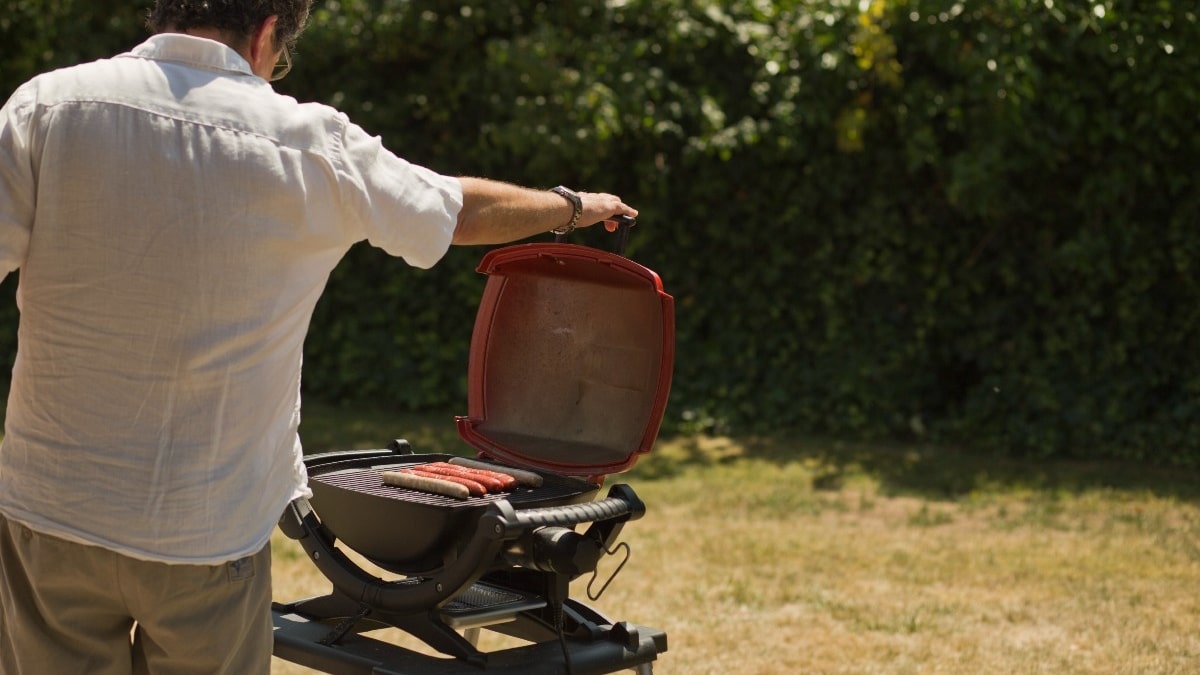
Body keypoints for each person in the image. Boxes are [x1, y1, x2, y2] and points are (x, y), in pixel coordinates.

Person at [0, 1, 637, 673]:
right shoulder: (309, 141)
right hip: (207, 527)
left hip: (49, 508)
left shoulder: (48, 107)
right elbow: (455, 209)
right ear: (269, 28)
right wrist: (570, 205)